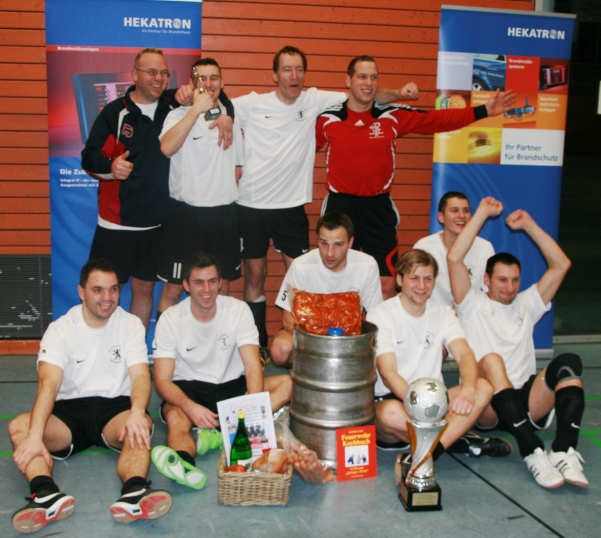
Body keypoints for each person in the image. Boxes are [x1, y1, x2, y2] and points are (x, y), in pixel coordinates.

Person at [231, 46, 418, 355]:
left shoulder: (315, 100)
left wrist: (398, 93)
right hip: (251, 204)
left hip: (291, 206)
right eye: (287, 69)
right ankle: (258, 347)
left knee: (306, 279)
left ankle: (309, 345)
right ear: (274, 74)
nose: (294, 76)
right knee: (255, 275)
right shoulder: (252, 103)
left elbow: (365, 94)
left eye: (299, 69)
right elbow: (221, 108)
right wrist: (225, 120)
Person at [316, 55, 516, 299]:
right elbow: (300, 148)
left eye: (374, 77)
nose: (369, 82)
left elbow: (436, 120)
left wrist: (484, 110)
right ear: (348, 80)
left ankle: (382, 337)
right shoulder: (327, 119)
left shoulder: (392, 116)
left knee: (387, 285)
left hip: (378, 208)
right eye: (362, 76)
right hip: (341, 206)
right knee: (336, 281)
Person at [8, 259, 170, 534]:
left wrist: (135, 412)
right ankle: (46, 495)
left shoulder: (130, 325)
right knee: (20, 427)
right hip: (68, 413)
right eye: (98, 290)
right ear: (81, 291)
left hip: (115, 410)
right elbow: (48, 384)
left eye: (113, 289)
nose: (107, 298)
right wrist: (36, 436)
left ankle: (134, 493)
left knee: (141, 421)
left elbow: (141, 376)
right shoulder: (61, 329)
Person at [81, 48, 233, 331]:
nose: (158, 78)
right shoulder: (116, 112)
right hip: (117, 224)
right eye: (151, 72)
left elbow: (213, 92)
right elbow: (88, 158)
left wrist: (228, 116)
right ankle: (98, 351)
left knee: (143, 292)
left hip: (157, 225)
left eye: (164, 73)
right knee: (102, 291)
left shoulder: (172, 104)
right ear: (134, 74)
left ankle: (136, 353)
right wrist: (111, 167)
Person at [447, 197, 587, 489]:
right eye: (502, 280)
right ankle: (532, 449)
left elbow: (562, 264)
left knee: (569, 362)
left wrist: (529, 226)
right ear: (485, 279)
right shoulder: (471, 304)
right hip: (486, 407)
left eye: (514, 280)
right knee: (492, 361)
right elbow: (454, 258)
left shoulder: (526, 304)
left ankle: (563, 449)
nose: (509, 288)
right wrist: (483, 212)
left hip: (524, 401)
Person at [150, 253, 292, 488]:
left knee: (287, 384)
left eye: (212, 281)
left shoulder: (238, 310)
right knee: (176, 417)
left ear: (220, 282)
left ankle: (228, 430)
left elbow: (253, 364)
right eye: (198, 282)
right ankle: (185, 464)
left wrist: (251, 406)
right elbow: (163, 381)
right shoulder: (170, 319)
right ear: (186, 285)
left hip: (232, 387)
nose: (207, 289)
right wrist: (190, 407)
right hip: (189, 390)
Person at [366, 249, 511, 459]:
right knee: (390, 415)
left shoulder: (443, 313)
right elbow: (388, 374)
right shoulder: (381, 314)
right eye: (414, 278)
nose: (422, 286)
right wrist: (420, 407)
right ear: (399, 279)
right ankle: (457, 439)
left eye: (428, 279)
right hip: (398, 401)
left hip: (435, 402)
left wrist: (468, 389)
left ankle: (426, 456)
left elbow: (465, 355)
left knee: (483, 387)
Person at [156, 58, 241, 318]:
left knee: (222, 286)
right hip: (186, 217)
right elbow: (167, 148)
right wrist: (195, 110)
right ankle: (164, 355)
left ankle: (218, 353)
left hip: (223, 216)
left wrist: (225, 115)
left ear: (222, 82)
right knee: (173, 288)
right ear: (192, 85)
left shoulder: (230, 117)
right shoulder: (178, 115)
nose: (208, 83)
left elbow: (238, 167)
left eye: (213, 77)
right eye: (200, 78)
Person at [270, 211, 383, 366]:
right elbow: (288, 319)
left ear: (350, 242)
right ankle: (310, 372)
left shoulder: (368, 265)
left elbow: (375, 317)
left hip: (349, 337)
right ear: (316, 240)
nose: (330, 253)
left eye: (338, 245)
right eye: (324, 243)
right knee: (280, 349)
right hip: (310, 338)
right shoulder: (300, 266)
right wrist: (323, 344)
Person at [414, 191, 494, 307]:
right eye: (454, 210)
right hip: (433, 318)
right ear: (441, 217)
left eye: (466, 211)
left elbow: (489, 293)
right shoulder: (424, 247)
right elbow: (414, 290)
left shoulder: (484, 247)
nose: (461, 215)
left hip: (470, 318)